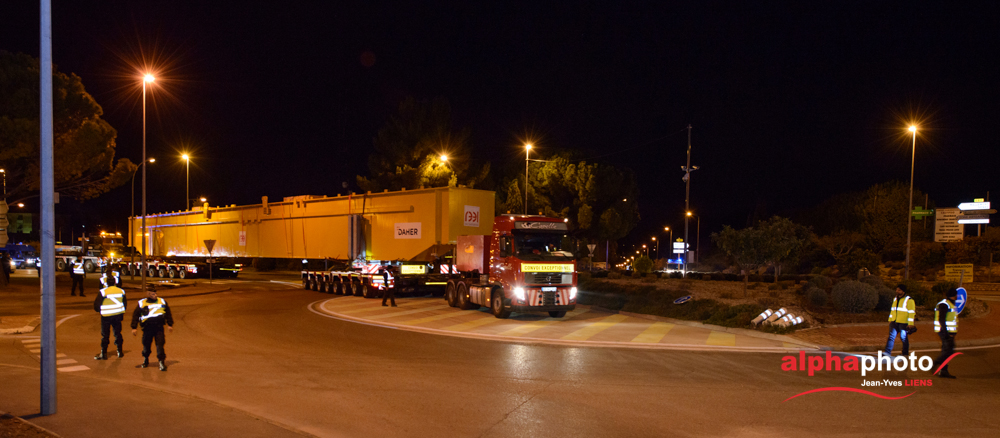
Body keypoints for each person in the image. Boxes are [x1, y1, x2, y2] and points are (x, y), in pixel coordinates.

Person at [130, 288, 174, 371]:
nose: (155, 295)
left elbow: (168, 312)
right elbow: (135, 315)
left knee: (160, 345)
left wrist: (170, 324)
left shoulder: (162, 301)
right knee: (146, 345)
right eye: (153, 294)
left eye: (156, 294)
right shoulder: (142, 303)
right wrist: (134, 327)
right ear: (148, 294)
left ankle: (161, 362)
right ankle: (145, 359)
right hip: (147, 328)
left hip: (159, 327)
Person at [93, 276, 127, 360]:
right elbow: (125, 303)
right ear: (115, 282)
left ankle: (103, 353)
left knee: (105, 335)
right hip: (118, 315)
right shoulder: (121, 291)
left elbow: (96, 305)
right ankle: (120, 351)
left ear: (107, 283)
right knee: (118, 333)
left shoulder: (103, 292)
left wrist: (100, 310)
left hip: (106, 316)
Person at [933, 287, 959, 379]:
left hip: (948, 331)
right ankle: (937, 361)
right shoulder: (944, 304)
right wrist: (946, 333)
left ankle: (943, 371)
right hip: (945, 332)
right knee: (949, 351)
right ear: (954, 295)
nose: (957, 296)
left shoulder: (950, 304)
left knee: (946, 350)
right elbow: (941, 319)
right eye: (956, 294)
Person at [884, 283, 915, 357]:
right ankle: (887, 353)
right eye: (897, 289)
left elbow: (911, 312)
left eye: (899, 290)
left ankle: (905, 353)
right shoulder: (895, 299)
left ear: (903, 291)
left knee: (903, 338)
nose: (897, 291)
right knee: (891, 337)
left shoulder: (909, 300)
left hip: (903, 322)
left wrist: (910, 323)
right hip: (894, 322)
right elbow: (893, 310)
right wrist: (890, 319)